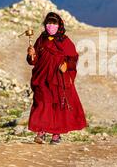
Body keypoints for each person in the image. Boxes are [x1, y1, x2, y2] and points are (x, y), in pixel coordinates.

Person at [26, 12, 87, 144]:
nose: (51, 26)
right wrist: (31, 54)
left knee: (58, 105)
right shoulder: (41, 39)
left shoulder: (65, 41)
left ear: (59, 25)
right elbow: (34, 61)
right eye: (48, 23)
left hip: (58, 79)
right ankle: (41, 132)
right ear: (45, 25)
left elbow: (73, 58)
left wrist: (66, 65)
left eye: (54, 23)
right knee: (42, 104)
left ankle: (56, 134)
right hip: (42, 78)